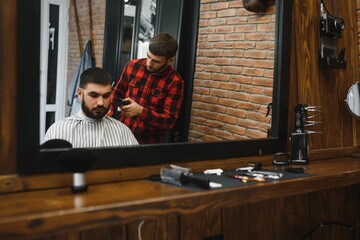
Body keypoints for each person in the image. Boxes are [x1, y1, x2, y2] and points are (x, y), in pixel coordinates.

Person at [108, 32, 184, 144]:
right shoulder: (132, 66)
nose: (149, 63)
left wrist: (141, 111)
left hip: (149, 142)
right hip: (121, 134)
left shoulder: (175, 82)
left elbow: (169, 121)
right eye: (148, 56)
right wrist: (108, 111)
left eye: (156, 61)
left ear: (170, 61)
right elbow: (116, 93)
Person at [44, 67, 139, 148]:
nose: (101, 103)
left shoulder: (122, 131)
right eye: (94, 95)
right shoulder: (59, 130)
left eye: (106, 96)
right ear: (80, 94)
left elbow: (137, 167)